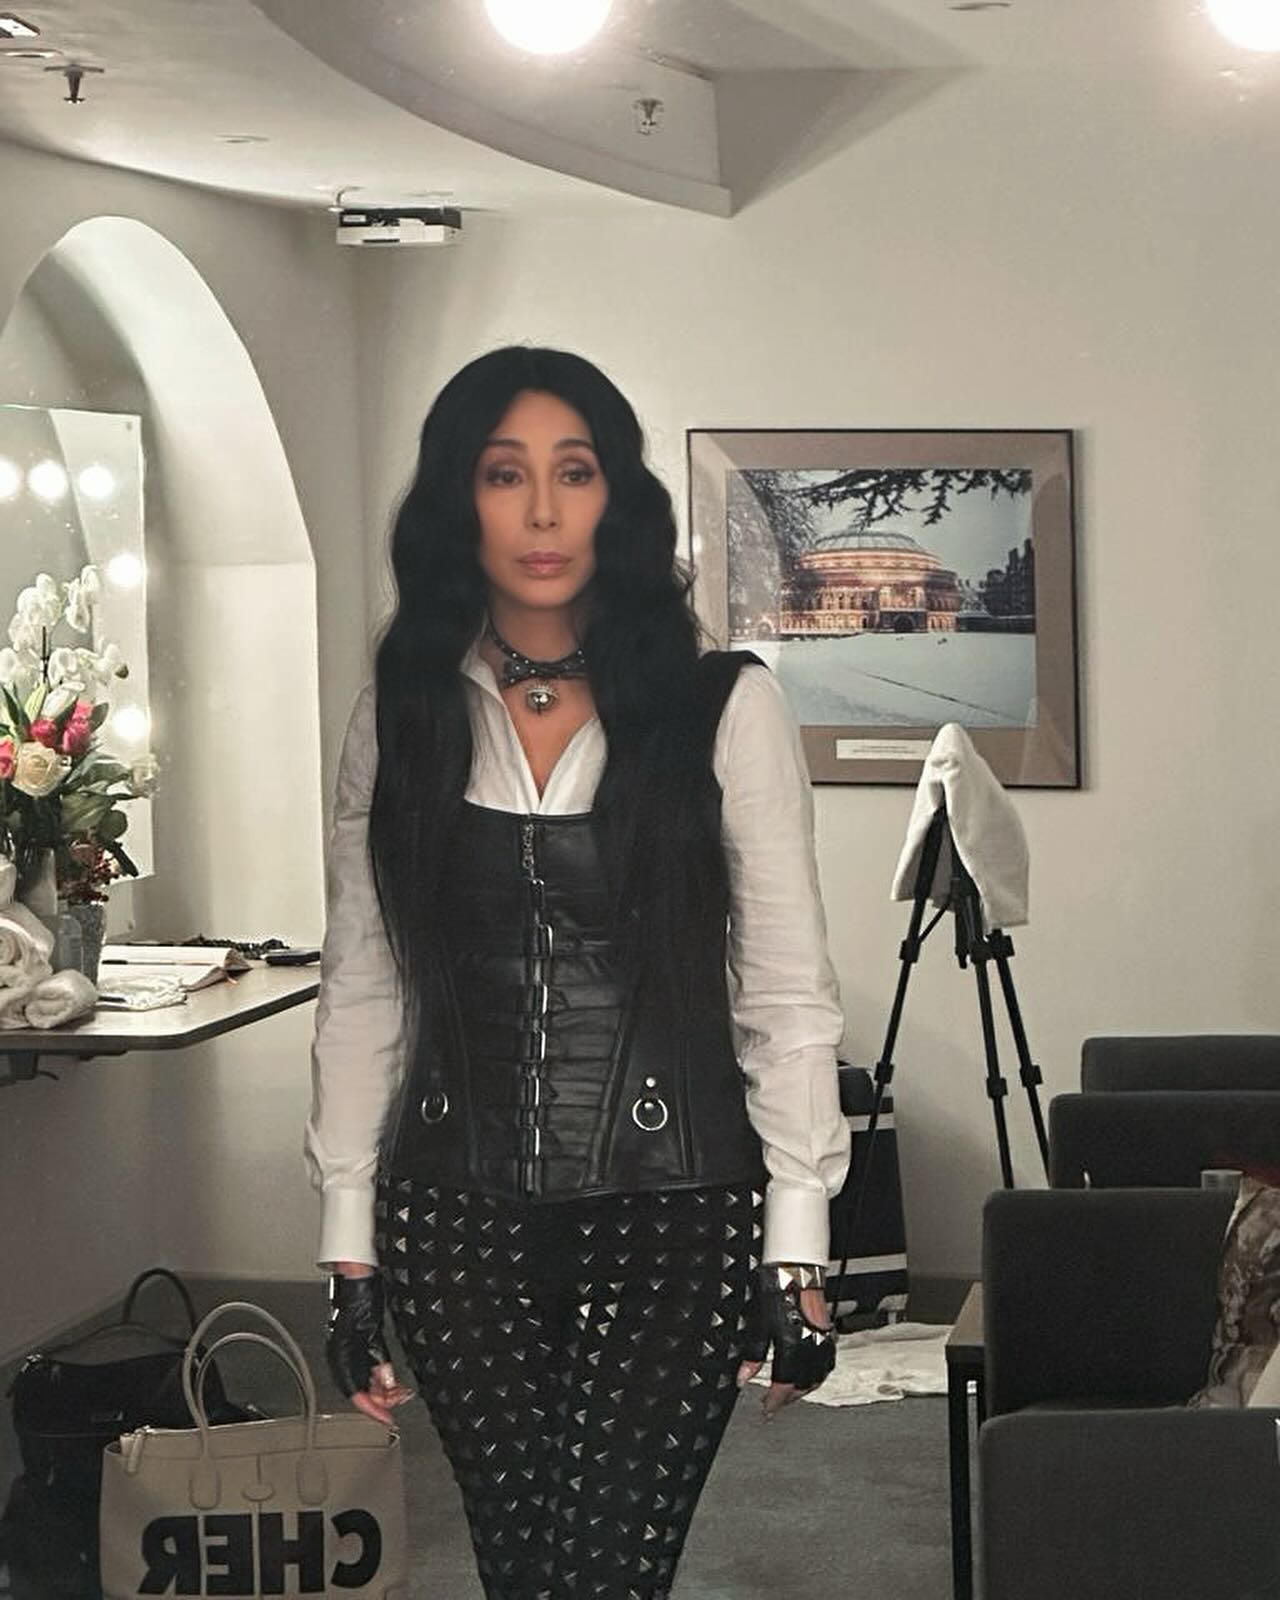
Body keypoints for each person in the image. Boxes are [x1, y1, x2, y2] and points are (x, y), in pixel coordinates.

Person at [305, 345, 852, 1600]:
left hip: (677, 1211)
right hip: (452, 1215)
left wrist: (797, 1245)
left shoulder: (724, 707)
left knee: (605, 1571)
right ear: (460, 499)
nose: (543, 513)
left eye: (576, 472)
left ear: (618, 497)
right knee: (521, 1569)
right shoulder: (401, 712)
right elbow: (365, 982)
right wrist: (349, 1239)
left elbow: (781, 993)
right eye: (506, 475)